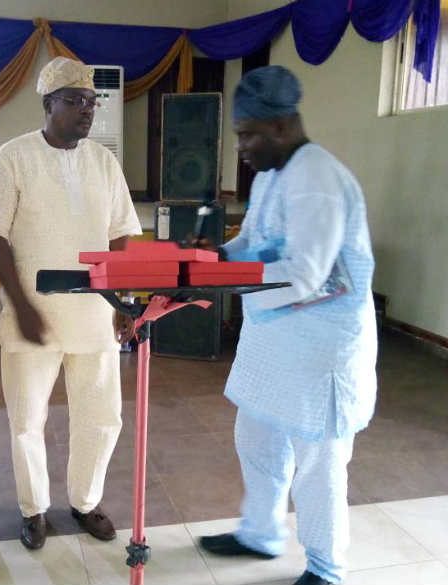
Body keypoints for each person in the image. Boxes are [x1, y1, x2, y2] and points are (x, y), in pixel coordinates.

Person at [198, 66, 377, 585]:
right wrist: (214, 258)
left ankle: (326, 568)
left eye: (248, 134)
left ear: (281, 126)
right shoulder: (276, 172)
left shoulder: (317, 178)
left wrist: (222, 282)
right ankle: (261, 532)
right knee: (255, 436)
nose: (243, 147)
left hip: (320, 349)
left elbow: (305, 276)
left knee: (318, 464)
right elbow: (252, 239)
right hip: (274, 342)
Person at [0, 57, 142, 550]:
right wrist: (20, 304)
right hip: (34, 316)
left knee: (102, 414)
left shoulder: (103, 161)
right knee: (27, 420)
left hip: (95, 315)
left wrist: (123, 300)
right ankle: (34, 509)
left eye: (92, 102)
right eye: (75, 101)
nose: (86, 111)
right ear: (49, 104)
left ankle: (86, 501)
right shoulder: (13, 157)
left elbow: (122, 234)